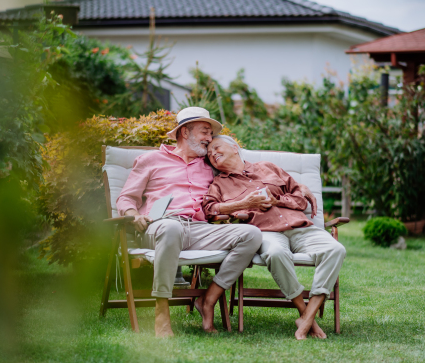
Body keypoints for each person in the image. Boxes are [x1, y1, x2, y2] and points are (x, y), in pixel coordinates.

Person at [116, 107, 262, 337]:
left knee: (251, 234)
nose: (209, 139)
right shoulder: (150, 160)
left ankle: (209, 298)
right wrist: (134, 215)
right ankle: (162, 310)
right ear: (185, 132)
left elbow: (245, 172)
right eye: (205, 132)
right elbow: (126, 197)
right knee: (172, 228)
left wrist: (294, 186)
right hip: (159, 226)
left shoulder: (209, 166)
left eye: (210, 134)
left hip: (198, 229)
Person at [202, 135, 346, 340]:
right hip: (265, 232)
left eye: (216, 147)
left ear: (235, 148)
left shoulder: (268, 167)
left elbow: (300, 199)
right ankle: (305, 316)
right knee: (276, 253)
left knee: (336, 250)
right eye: (209, 154)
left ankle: (307, 318)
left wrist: (276, 200)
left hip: (300, 227)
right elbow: (209, 209)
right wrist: (243, 204)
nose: (213, 153)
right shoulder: (219, 184)